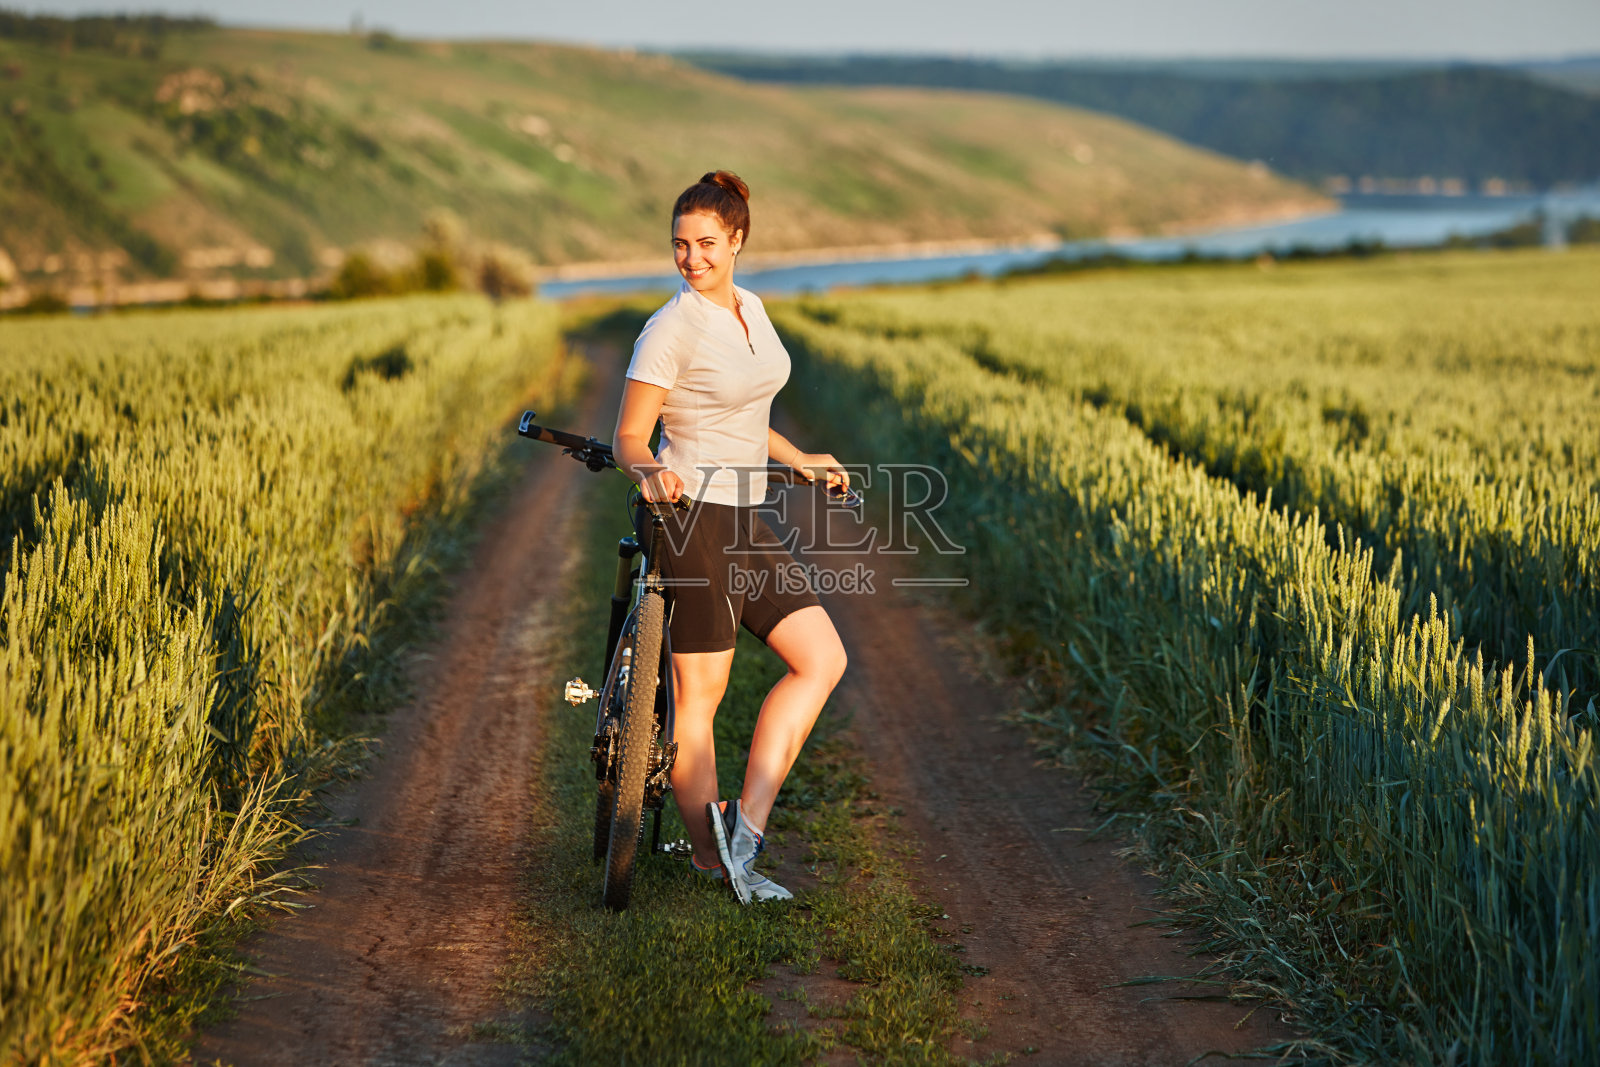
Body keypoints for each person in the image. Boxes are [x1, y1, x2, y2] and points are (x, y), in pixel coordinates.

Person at [612, 170, 850, 904]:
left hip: (747, 513)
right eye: (681, 244)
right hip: (690, 514)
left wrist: (801, 460)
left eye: (706, 243)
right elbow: (627, 434)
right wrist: (650, 471)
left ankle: (743, 830)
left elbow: (745, 412)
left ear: (737, 239)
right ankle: (710, 864)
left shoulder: (751, 308)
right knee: (701, 697)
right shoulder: (670, 327)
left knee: (822, 659)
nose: (692, 258)